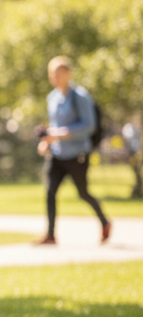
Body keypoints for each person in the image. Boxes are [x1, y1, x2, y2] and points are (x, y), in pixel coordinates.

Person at [35, 56, 111, 245]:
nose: (55, 77)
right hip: (57, 154)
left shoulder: (80, 96)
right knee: (50, 192)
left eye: (59, 73)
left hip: (77, 154)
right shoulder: (52, 98)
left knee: (83, 193)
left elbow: (89, 126)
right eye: (52, 74)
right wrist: (48, 142)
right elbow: (54, 125)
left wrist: (62, 134)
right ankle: (51, 234)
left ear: (68, 74)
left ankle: (104, 221)